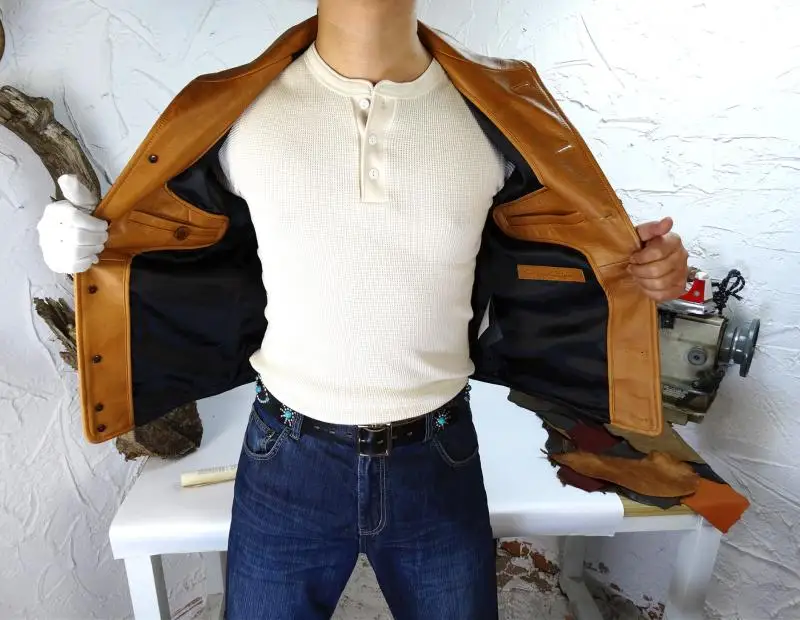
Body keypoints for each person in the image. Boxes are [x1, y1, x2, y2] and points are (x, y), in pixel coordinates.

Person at [35, 1, 690, 618]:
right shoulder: (235, 114)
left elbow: (572, 249)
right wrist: (90, 247)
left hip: (437, 459)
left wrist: (647, 268)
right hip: (286, 459)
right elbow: (161, 237)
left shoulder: (500, 115)